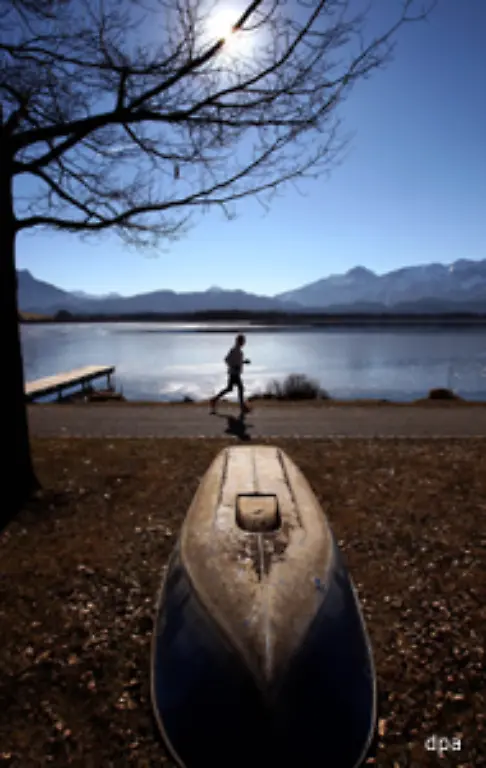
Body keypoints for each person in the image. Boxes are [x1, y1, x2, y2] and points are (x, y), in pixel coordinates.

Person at [210, 334, 251, 417]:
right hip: (233, 373)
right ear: (239, 341)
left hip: (235, 373)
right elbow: (227, 360)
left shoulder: (238, 351)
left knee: (230, 389)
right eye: (242, 341)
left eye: (243, 341)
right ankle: (242, 407)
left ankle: (214, 400)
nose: (243, 343)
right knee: (240, 388)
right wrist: (233, 366)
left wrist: (243, 362)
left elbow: (236, 361)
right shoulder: (234, 350)